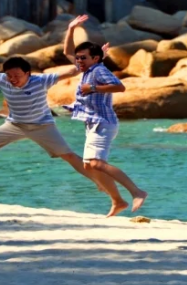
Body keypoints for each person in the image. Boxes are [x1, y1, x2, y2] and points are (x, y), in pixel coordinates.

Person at [0, 44, 131, 217]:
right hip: (14, 125)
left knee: (71, 157)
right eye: (9, 75)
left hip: (43, 126)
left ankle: (113, 196)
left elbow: (74, 69)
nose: (13, 79)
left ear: (28, 73)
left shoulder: (41, 80)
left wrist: (98, 57)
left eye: (17, 75)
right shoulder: (2, 79)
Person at [62, 15, 148, 213]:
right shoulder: (85, 67)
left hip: (103, 123)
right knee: (89, 166)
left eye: (83, 58)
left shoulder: (99, 70)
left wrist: (92, 87)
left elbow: (120, 87)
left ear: (96, 58)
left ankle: (137, 192)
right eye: (78, 58)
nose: (79, 60)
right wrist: (71, 28)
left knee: (97, 163)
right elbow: (67, 51)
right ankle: (118, 201)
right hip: (93, 123)